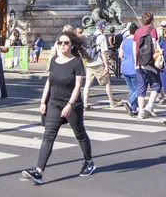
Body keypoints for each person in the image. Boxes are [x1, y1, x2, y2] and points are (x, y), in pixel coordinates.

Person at [21, 31, 95, 184]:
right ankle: (39, 172)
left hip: (71, 104)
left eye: (66, 43)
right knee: (48, 136)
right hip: (54, 103)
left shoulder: (76, 62)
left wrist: (70, 104)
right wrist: (42, 102)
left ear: (71, 45)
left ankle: (89, 162)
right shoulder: (54, 60)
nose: (62, 45)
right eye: (60, 42)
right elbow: (49, 81)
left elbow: (77, 86)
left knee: (80, 134)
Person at [83, 21, 122, 110]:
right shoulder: (102, 37)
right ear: (102, 27)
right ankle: (111, 101)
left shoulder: (90, 35)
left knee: (87, 84)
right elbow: (104, 53)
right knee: (107, 82)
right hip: (98, 63)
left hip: (89, 63)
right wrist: (106, 65)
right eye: (104, 27)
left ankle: (85, 103)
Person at [133, 11, 162, 119]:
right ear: (152, 19)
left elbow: (134, 48)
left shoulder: (137, 31)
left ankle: (140, 111)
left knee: (141, 86)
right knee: (157, 85)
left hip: (138, 62)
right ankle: (149, 107)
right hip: (149, 62)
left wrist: (135, 62)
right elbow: (154, 46)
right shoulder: (152, 30)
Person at [119, 22, 138, 116]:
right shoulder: (136, 41)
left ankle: (133, 109)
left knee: (132, 89)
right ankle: (130, 103)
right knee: (139, 89)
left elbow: (120, 55)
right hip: (133, 67)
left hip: (124, 67)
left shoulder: (124, 41)